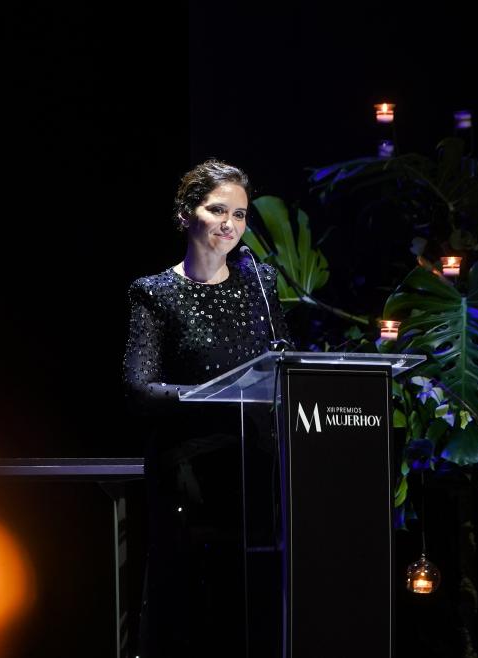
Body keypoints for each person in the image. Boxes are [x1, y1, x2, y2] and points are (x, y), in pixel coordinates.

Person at [123, 159, 290, 657]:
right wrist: (208, 394)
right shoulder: (155, 293)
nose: (229, 225)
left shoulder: (260, 285)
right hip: (189, 469)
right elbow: (138, 388)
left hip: (255, 466)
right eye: (217, 210)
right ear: (184, 214)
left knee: (251, 603)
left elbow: (284, 366)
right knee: (193, 602)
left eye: (239, 215)